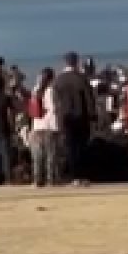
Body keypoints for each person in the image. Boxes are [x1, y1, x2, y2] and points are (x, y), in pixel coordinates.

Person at [50, 52, 96, 185]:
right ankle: (82, 175)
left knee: (70, 148)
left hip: (66, 119)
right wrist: (93, 116)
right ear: (76, 62)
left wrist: (58, 119)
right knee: (82, 147)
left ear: (65, 62)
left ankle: (73, 176)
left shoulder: (58, 80)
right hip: (81, 117)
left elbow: (56, 102)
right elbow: (89, 99)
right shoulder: (81, 79)